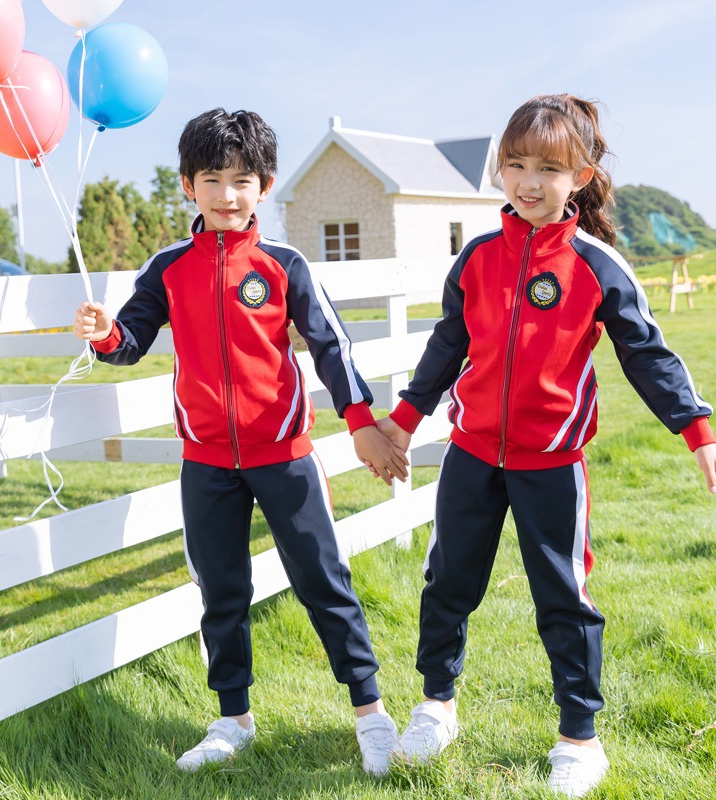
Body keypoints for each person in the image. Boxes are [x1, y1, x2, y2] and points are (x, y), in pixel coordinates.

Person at [371, 94, 716, 797]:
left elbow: (649, 355)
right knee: (448, 583)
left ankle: (579, 738)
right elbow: (447, 349)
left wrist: (699, 434)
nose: (528, 181)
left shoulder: (596, 264)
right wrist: (402, 421)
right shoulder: (477, 258)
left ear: (581, 173)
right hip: (471, 456)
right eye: (514, 164)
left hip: (552, 467)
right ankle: (435, 708)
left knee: (563, 599)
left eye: (547, 167)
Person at [72, 108, 410, 777]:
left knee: (324, 583)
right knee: (221, 591)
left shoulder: (285, 265)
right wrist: (103, 332)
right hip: (205, 465)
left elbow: (332, 350)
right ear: (187, 186)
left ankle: (370, 713)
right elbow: (130, 340)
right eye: (212, 179)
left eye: (242, 180)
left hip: (284, 459)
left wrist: (361, 422)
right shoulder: (168, 268)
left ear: (265, 185)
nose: (227, 194)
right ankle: (233, 719)